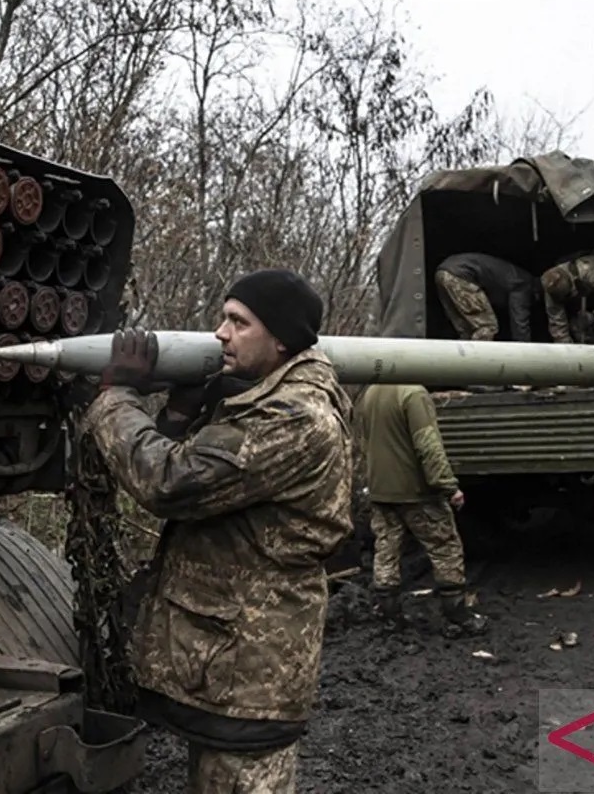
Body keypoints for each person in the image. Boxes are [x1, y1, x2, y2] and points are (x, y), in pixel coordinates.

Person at [80, 268, 353, 793]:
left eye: (238, 321)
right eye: (223, 317)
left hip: (251, 669)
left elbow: (169, 482)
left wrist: (117, 397)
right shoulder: (266, 398)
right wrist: (182, 413)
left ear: (282, 339)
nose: (220, 333)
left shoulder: (293, 417)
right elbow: (197, 483)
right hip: (229, 662)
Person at [354, 383, 488, 638]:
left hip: (381, 490)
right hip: (415, 492)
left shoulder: (370, 392)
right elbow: (428, 445)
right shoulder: (413, 393)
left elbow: (363, 441)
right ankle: (457, 617)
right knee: (445, 548)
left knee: (386, 552)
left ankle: (390, 617)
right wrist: (448, 486)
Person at [433, 252, 540, 342]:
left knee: (466, 330)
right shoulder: (524, 284)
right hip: (461, 275)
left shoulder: (513, 275)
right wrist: (523, 349)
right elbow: (519, 319)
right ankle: (477, 363)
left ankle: (461, 361)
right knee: (487, 327)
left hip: (443, 273)